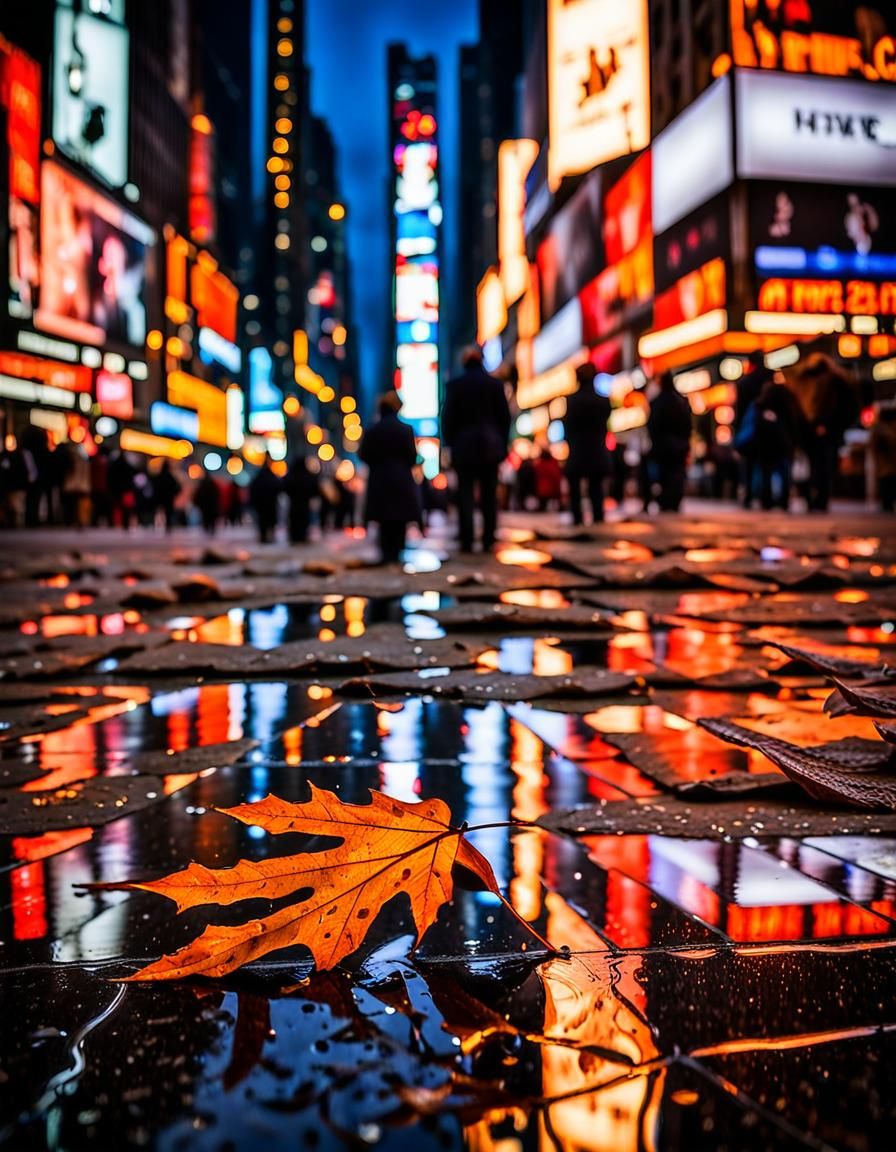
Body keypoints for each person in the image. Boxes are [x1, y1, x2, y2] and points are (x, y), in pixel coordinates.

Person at [441, 345, 511, 552]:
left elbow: (447, 419)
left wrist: (450, 444)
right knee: (489, 495)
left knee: (465, 495)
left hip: (463, 448)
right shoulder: (494, 384)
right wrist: (502, 443)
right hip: (490, 447)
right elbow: (504, 418)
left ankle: (467, 539)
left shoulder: (455, 385)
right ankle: (489, 537)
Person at [358, 391, 421, 564]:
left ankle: (387, 554)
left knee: (384, 521)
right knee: (399, 520)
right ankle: (398, 552)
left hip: (379, 481)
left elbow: (363, 455)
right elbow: (412, 457)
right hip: (401, 480)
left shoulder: (372, 430)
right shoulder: (406, 430)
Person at [797, 353, 859, 511]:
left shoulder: (828, 382)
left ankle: (818, 499)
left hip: (821, 430)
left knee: (819, 466)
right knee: (823, 466)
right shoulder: (839, 380)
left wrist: (824, 424)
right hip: (826, 431)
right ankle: (819, 499)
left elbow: (827, 406)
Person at [564, 362, 611, 524]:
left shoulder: (572, 401)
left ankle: (577, 520)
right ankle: (598, 519)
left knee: (575, 491)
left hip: (577, 450)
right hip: (597, 450)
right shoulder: (603, 401)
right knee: (596, 489)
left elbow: (568, 426)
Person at [752, 375, 805, 510]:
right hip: (784, 444)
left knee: (766, 473)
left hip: (766, 445)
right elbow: (795, 424)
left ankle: (766, 500)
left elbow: (756, 426)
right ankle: (784, 501)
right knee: (785, 473)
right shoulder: (788, 405)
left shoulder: (761, 405)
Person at [647, 371, 691, 512]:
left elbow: (653, 425)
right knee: (677, 474)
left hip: (664, 446)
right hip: (679, 445)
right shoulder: (681, 401)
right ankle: (674, 501)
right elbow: (689, 425)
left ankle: (666, 502)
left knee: (665, 475)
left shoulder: (658, 402)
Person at [284, 454, 318, 544]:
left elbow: (285, 488)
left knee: (294, 521)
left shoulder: (291, 476)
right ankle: (302, 536)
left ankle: (294, 537)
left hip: (294, 505)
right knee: (303, 521)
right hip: (304, 504)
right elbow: (314, 489)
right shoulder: (307, 476)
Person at [249, 455, 281, 543]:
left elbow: (253, 489)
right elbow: (278, 488)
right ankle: (269, 538)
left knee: (263, 522)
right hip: (270, 503)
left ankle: (264, 538)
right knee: (270, 522)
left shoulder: (259, 476)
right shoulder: (272, 477)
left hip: (262, 504)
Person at [870, 404, 896, 512]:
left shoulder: (879, 428)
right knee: (888, 481)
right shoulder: (884, 428)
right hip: (887, 461)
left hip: (885, 461)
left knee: (886, 481)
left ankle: (887, 504)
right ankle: (887, 504)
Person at [153, 459, 182, 532]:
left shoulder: (159, 477)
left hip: (160, 498)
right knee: (168, 513)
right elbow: (178, 487)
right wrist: (174, 494)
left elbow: (155, 487)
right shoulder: (170, 477)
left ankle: (157, 525)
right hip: (169, 498)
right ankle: (168, 527)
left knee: (158, 512)